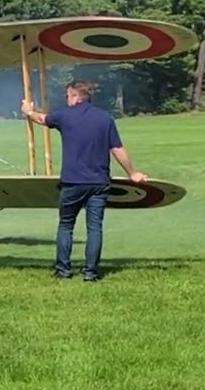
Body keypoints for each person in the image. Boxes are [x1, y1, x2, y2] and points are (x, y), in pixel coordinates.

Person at [21, 80, 146, 282]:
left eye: (69, 95)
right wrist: (132, 172)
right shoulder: (105, 118)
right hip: (99, 182)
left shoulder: (64, 116)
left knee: (66, 225)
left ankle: (63, 271)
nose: (67, 99)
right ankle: (90, 273)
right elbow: (117, 149)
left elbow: (41, 119)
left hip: (72, 182)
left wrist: (28, 111)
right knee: (94, 228)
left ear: (76, 97)